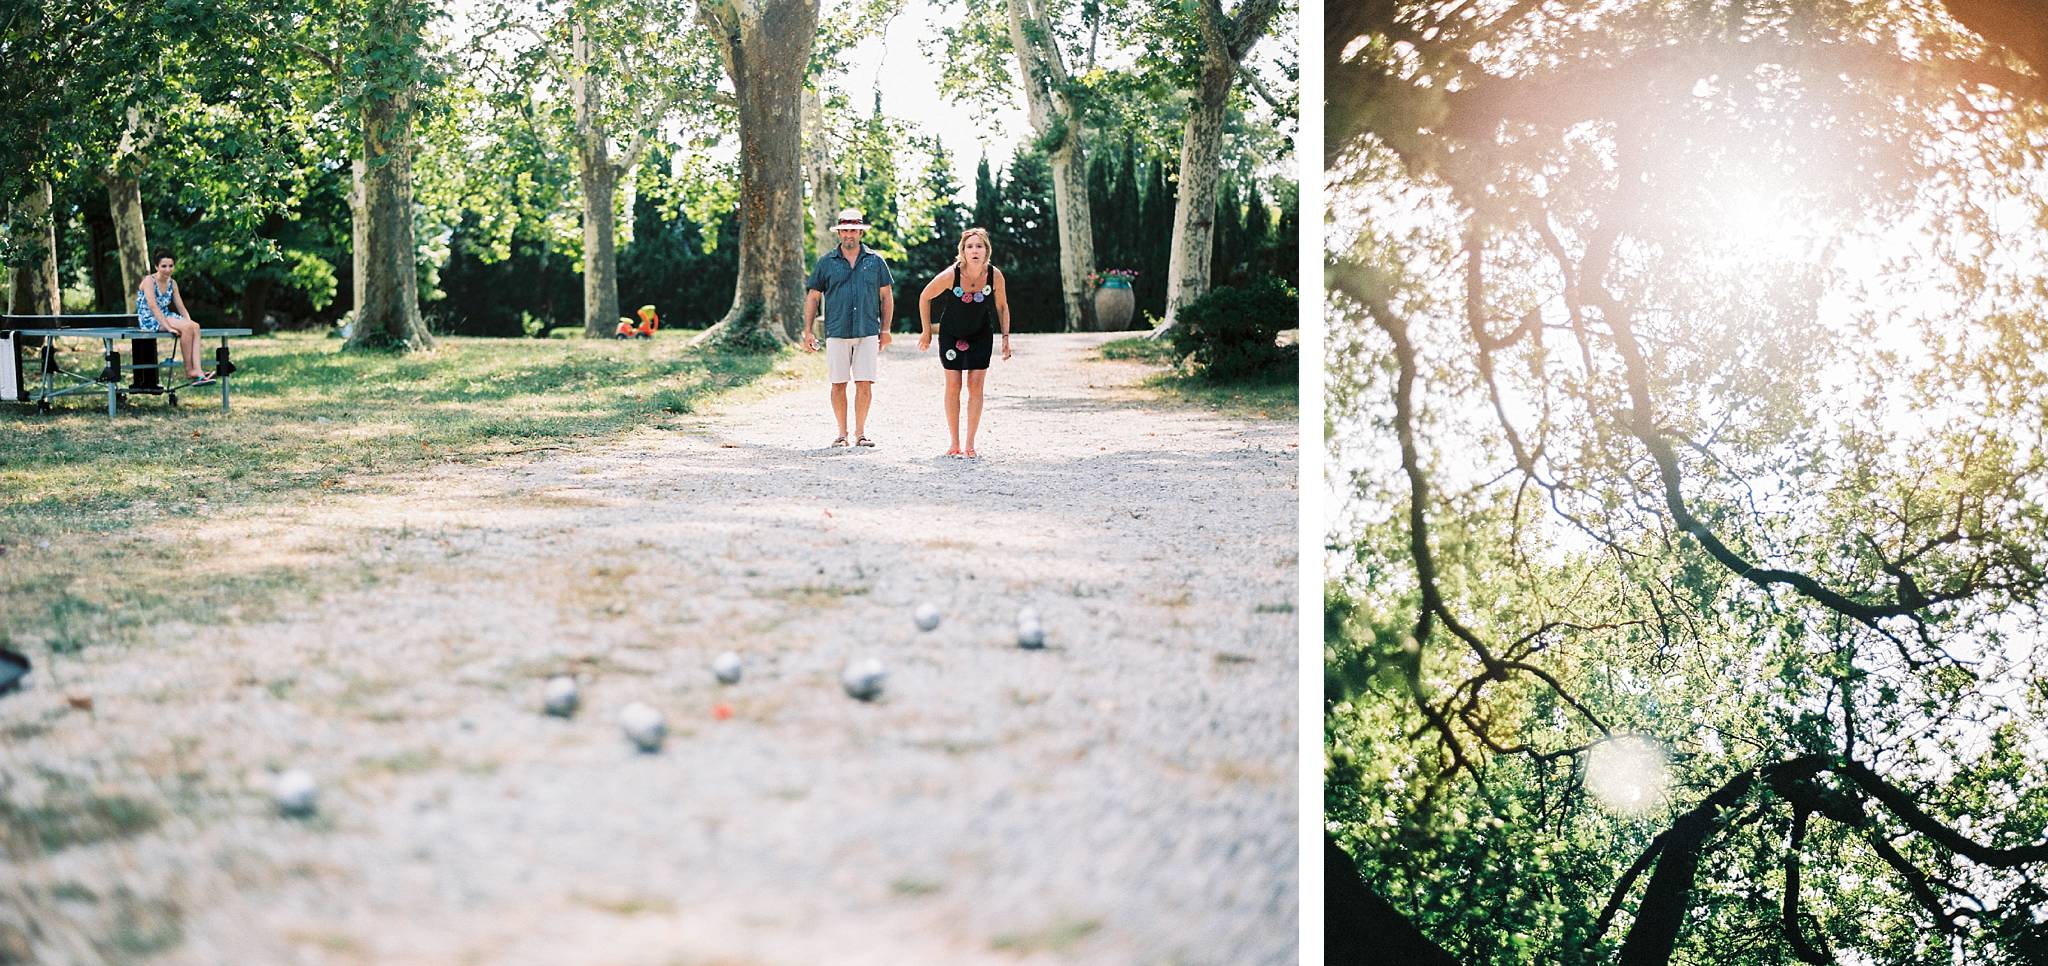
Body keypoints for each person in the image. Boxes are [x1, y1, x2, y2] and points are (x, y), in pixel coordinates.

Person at [802, 208, 895, 448]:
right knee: (838, 383)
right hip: (837, 330)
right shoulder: (826, 262)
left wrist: (885, 331)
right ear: (839, 232)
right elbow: (813, 297)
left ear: (860, 232)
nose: (848, 235)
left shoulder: (875, 262)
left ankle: (860, 434)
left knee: (864, 383)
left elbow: (886, 297)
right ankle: (841, 434)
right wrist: (808, 331)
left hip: (867, 330)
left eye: (853, 230)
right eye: (844, 230)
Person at [917, 227, 1011, 457]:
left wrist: (1006, 338)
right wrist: (926, 331)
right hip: (952, 335)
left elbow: (1002, 306)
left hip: (980, 334)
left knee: (976, 388)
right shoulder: (952, 274)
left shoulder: (994, 275)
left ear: (986, 250)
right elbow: (924, 296)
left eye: (979, 246)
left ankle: (970, 443)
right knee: (953, 387)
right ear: (963, 251)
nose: (974, 250)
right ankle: (954, 442)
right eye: (970, 246)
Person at [135, 252, 214, 384]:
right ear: (156, 267)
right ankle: (189, 371)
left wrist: (189, 321)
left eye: (171, 266)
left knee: (195, 326)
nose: (168, 269)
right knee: (187, 328)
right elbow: (153, 307)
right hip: (150, 318)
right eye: (164, 266)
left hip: (166, 315)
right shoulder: (149, 281)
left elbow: (181, 306)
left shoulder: (173, 283)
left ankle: (198, 370)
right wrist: (169, 327)